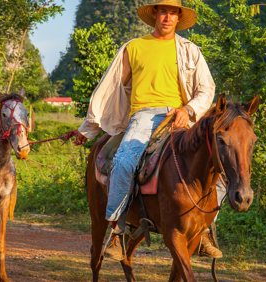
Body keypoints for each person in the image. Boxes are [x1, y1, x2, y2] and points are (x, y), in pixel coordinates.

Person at [70, 0, 224, 260]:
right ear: (154, 14)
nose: (167, 17)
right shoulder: (134, 48)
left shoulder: (190, 50)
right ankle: (117, 233)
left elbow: (206, 89)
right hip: (143, 118)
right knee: (123, 161)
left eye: (172, 13)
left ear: (178, 18)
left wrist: (188, 110)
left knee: (216, 171)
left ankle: (204, 233)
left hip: (180, 118)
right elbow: (108, 91)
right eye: (163, 11)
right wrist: (87, 129)